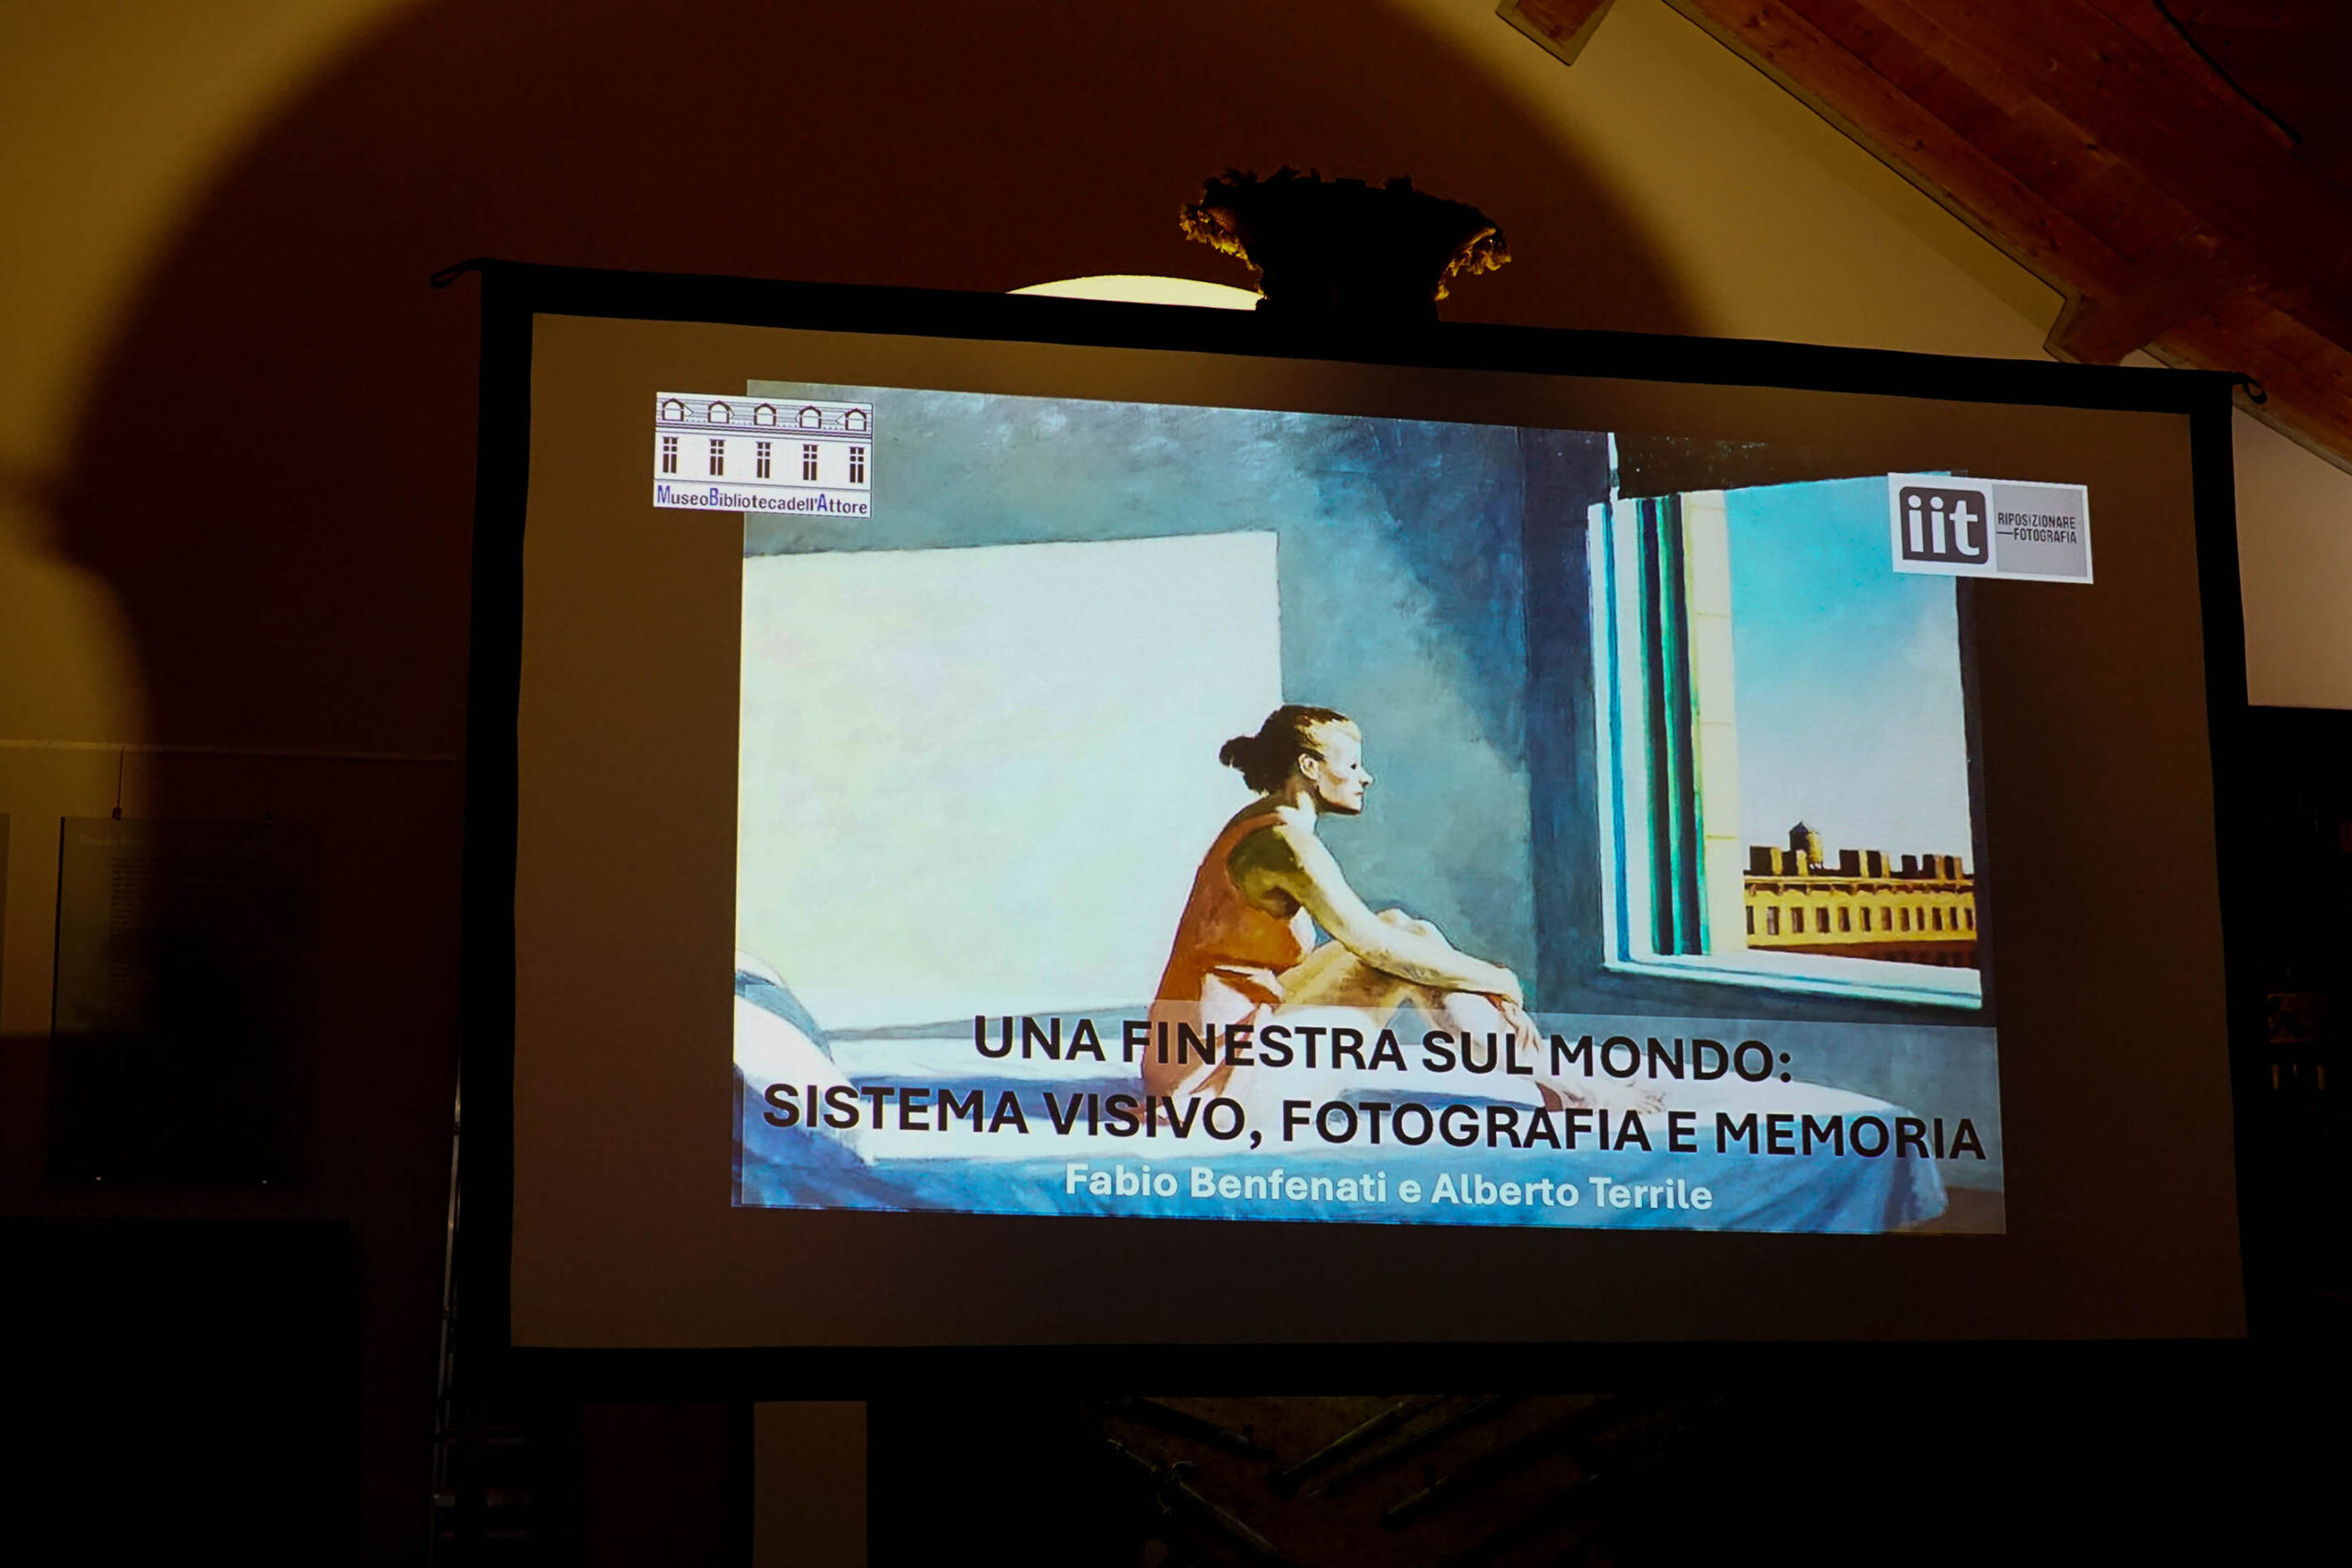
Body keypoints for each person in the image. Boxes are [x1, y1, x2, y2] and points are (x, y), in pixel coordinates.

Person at [1146, 704, 1562, 1111]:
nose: (1366, 777)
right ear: (1309, 767)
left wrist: (1485, 982)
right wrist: (1498, 979)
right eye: (1352, 766)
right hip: (1216, 1078)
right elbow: (1379, 949)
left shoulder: (1261, 822)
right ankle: (1563, 1088)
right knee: (1396, 956)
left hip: (1196, 1052)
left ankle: (1554, 1082)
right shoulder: (1286, 844)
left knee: (1403, 927)